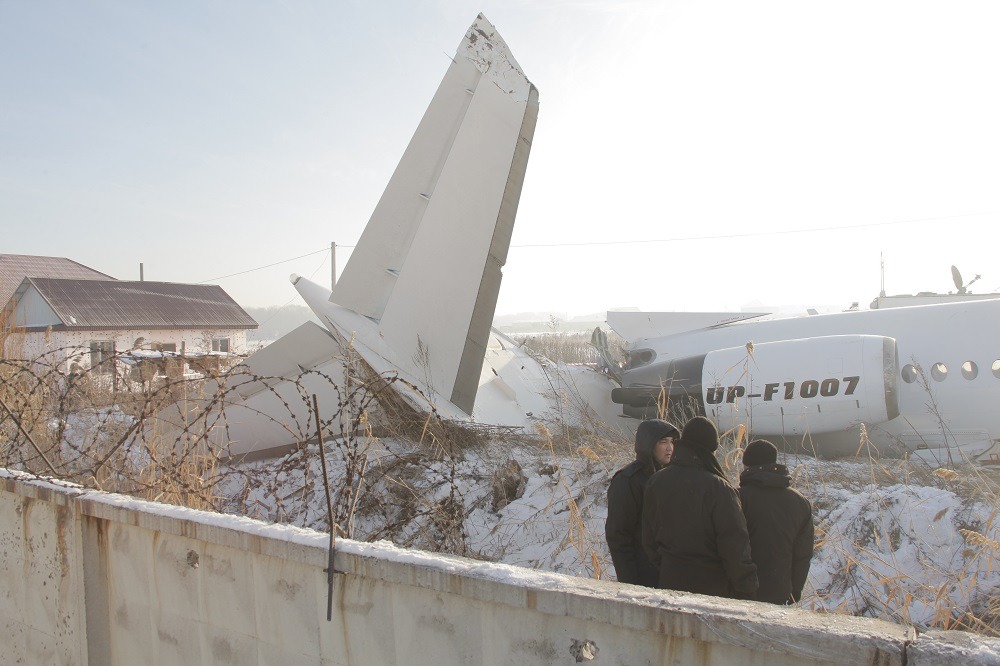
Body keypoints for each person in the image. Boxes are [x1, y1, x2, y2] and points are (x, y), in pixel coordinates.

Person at [642, 416, 758, 599]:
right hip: (712, 587)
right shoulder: (719, 489)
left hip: (669, 582)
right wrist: (747, 588)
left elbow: (649, 538)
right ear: (710, 450)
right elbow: (735, 545)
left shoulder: (656, 482)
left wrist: (667, 566)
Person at [738, 439, 814, 605]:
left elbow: (729, 545)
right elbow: (803, 553)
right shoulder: (800, 502)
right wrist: (795, 590)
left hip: (740, 592)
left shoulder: (738, 498)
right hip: (780, 592)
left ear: (746, 465)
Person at [605, 419, 680, 587]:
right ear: (649, 444)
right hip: (643, 574)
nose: (670, 448)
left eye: (672, 442)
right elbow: (618, 534)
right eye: (663, 442)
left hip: (671, 574)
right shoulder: (628, 480)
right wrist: (630, 581)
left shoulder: (672, 477)